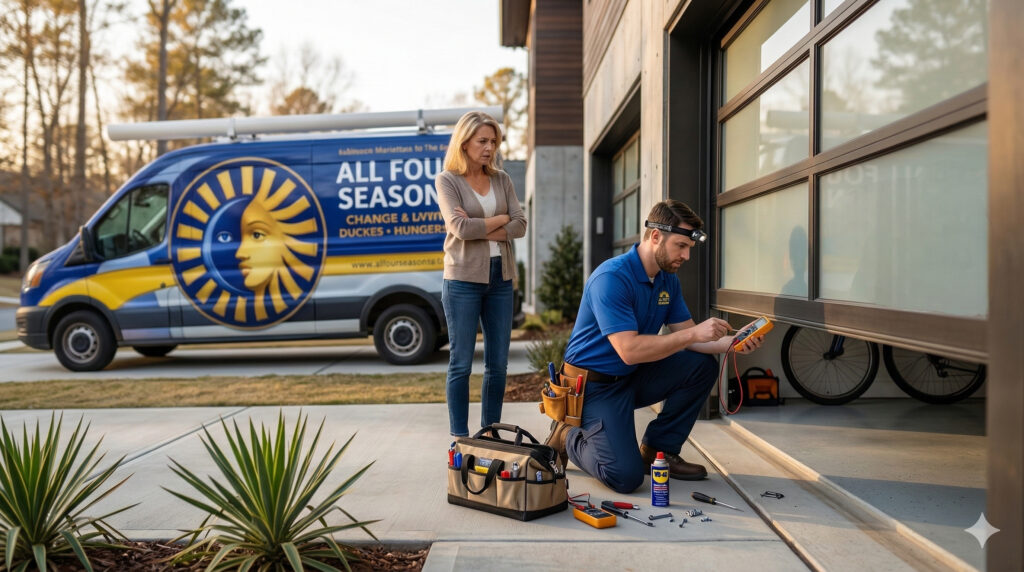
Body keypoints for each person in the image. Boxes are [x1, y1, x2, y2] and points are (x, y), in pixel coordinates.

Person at [545, 199, 764, 493]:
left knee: (700, 367)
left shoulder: (667, 281)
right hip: (592, 387)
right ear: (656, 237)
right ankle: (569, 435)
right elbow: (630, 349)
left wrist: (734, 344)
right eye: (681, 246)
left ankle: (659, 452)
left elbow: (689, 335)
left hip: (631, 376)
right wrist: (693, 336)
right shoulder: (612, 278)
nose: (686, 256)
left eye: (689, 248)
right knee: (625, 477)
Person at [436, 111, 527, 437]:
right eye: (483, 141)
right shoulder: (447, 180)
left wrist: (483, 228)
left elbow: (521, 225)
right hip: (462, 279)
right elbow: (459, 228)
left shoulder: (502, 179)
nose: (490, 147)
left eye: (494, 141)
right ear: (464, 142)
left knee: (498, 366)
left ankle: (490, 434)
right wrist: (499, 220)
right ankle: (460, 437)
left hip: (500, 277)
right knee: (461, 364)